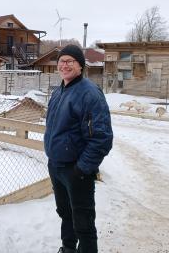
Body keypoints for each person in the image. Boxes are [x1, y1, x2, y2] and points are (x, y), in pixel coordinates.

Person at [44, 44, 113, 253]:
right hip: (56, 167)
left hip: (76, 170)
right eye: (61, 61)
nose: (64, 65)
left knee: (83, 222)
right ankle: (68, 248)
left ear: (80, 66)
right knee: (65, 213)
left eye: (70, 61)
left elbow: (102, 138)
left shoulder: (89, 93)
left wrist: (82, 169)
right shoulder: (58, 92)